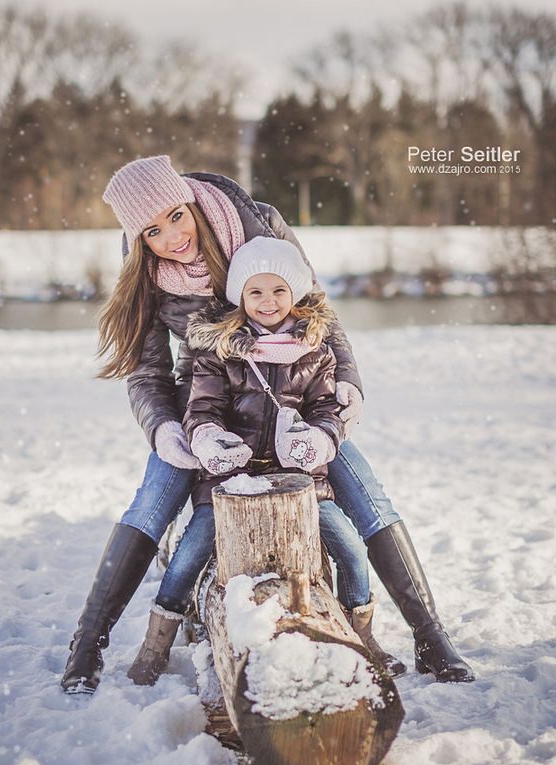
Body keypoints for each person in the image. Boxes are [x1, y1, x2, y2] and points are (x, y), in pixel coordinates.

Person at [60, 155, 473, 694]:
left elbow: (320, 314)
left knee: (367, 496)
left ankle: (430, 637)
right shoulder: (148, 272)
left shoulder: (259, 226)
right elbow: (148, 370)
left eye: (176, 217)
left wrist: (346, 384)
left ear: (191, 200)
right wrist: (165, 429)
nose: (170, 238)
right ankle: (88, 643)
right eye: (151, 231)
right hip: (203, 407)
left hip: (294, 406)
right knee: (152, 501)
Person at [126, 237, 405, 685]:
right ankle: (156, 642)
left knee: (352, 551)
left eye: (278, 290)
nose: (268, 302)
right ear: (240, 296)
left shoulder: (314, 349)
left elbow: (327, 409)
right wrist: (210, 439)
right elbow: (202, 410)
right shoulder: (220, 349)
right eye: (255, 292)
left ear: (294, 292)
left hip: (302, 484)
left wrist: (319, 438)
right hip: (232, 484)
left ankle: (361, 638)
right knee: (188, 556)